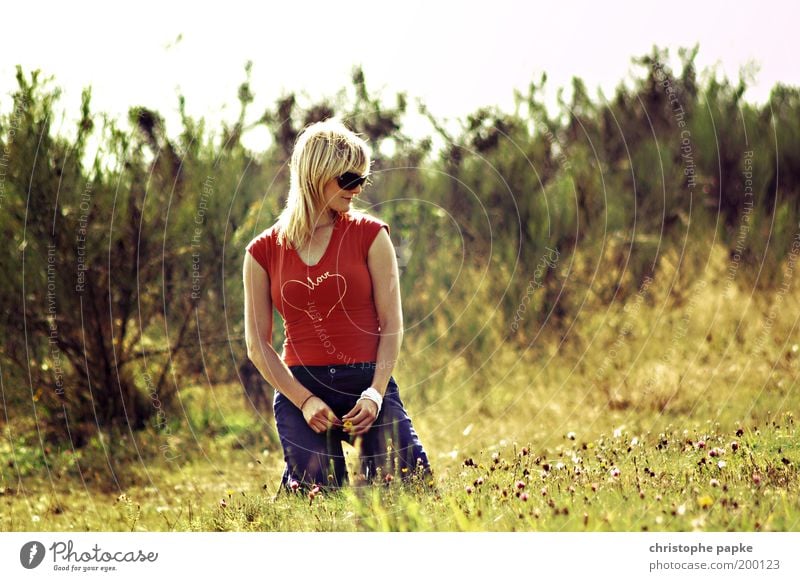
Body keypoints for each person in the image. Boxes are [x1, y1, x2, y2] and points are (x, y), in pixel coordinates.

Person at [243, 118, 430, 492]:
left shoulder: (371, 236)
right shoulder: (262, 252)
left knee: (412, 485)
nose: (357, 189)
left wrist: (376, 393)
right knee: (321, 496)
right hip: (301, 387)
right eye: (348, 179)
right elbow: (257, 345)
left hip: (365, 385)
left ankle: (299, 477)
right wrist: (305, 401)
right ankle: (300, 477)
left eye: (361, 179)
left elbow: (391, 322)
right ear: (316, 175)